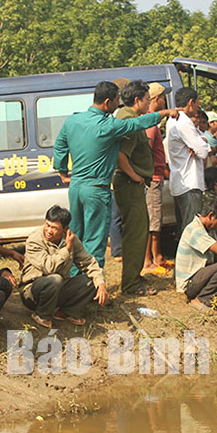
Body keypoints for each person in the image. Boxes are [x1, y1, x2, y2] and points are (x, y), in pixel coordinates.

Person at [53, 81, 177, 267]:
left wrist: (63, 173)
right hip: (96, 190)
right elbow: (137, 123)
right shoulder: (108, 125)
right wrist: (165, 113)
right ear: (107, 102)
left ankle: (73, 280)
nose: (118, 105)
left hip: (76, 188)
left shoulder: (73, 120)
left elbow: (60, 145)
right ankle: (92, 286)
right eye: (116, 101)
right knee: (95, 241)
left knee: (75, 237)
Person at [20, 205, 108, 328]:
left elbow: (88, 262)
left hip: (58, 289)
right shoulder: (34, 239)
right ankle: (42, 315)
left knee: (95, 278)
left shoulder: (71, 239)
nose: (49, 231)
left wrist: (101, 284)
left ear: (65, 229)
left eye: (54, 228)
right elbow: (48, 268)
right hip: (32, 292)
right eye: (47, 225)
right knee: (55, 279)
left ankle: (66, 312)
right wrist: (66, 249)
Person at [114, 80, 158, 295]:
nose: (149, 104)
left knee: (137, 230)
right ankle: (130, 284)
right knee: (135, 233)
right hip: (129, 183)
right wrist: (134, 176)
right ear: (137, 100)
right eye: (147, 100)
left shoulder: (129, 118)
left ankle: (134, 275)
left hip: (131, 183)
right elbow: (121, 155)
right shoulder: (129, 121)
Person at [166, 87, 211, 235]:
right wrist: (201, 143)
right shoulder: (184, 122)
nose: (198, 108)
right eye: (197, 103)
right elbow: (203, 151)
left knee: (185, 228)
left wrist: (200, 142)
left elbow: (200, 144)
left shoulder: (172, 120)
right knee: (192, 230)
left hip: (180, 181)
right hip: (189, 183)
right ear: (191, 103)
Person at [143, 82, 171, 274]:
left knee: (156, 221)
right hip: (152, 179)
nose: (164, 101)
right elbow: (146, 152)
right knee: (151, 223)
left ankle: (158, 256)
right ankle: (147, 262)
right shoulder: (150, 125)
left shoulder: (152, 122)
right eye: (162, 98)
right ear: (156, 100)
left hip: (156, 177)